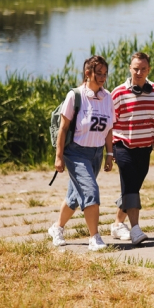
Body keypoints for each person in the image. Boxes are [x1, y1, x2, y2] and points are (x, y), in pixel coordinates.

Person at [48, 55, 115, 252]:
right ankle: (94, 237)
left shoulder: (107, 98)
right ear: (88, 73)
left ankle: (56, 228)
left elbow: (109, 129)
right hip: (76, 153)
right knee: (90, 192)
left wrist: (109, 155)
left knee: (76, 196)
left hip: (96, 153)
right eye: (98, 73)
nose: (103, 77)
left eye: (105, 74)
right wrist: (59, 156)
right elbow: (63, 128)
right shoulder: (75, 96)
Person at [109, 52, 154, 245]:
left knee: (132, 188)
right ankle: (135, 229)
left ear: (148, 69)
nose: (139, 72)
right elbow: (109, 123)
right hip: (123, 146)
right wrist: (109, 152)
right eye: (135, 68)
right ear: (129, 68)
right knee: (131, 188)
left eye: (143, 69)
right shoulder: (118, 93)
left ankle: (118, 223)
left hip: (145, 148)